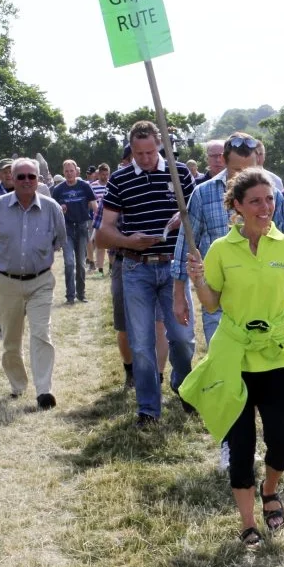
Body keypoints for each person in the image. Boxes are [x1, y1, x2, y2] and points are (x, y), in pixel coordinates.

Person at [179, 168, 284, 549]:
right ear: (237, 206)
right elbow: (212, 303)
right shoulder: (220, 249)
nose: (265, 207)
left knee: (282, 440)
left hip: (279, 354)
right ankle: (248, 523)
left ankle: (271, 490)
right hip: (234, 356)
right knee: (241, 446)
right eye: (255, 201)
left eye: (270, 199)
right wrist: (198, 279)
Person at [97, 120, 196, 427]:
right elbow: (103, 233)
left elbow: (198, 212)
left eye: (151, 152)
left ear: (160, 147)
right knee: (141, 344)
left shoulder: (180, 174)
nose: (145, 159)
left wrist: (185, 217)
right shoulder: (120, 179)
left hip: (173, 267)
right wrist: (128, 240)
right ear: (131, 151)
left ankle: (183, 385)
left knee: (182, 337)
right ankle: (149, 409)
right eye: (139, 153)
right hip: (135, 267)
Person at [173, 133, 284, 345]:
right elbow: (184, 246)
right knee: (224, 368)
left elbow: (283, 246)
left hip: (262, 299)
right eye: (237, 170)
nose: (245, 176)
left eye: (251, 169)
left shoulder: (274, 197)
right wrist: (179, 295)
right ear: (224, 163)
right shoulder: (202, 194)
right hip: (218, 300)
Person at [0, 157, 67, 409]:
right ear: (12, 179)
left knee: (42, 333)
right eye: (21, 177)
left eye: (32, 176)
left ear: (39, 179)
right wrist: (6, 260)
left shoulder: (51, 208)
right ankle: (18, 384)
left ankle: (44, 391)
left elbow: (58, 241)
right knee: (11, 339)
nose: (27, 181)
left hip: (41, 280)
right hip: (7, 282)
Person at [51, 159, 98, 304]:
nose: (69, 174)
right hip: (67, 228)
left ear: (76, 171)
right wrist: (61, 208)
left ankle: (81, 294)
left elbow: (93, 203)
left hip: (83, 226)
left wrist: (98, 220)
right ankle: (70, 296)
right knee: (69, 263)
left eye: (72, 171)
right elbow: (54, 209)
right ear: (63, 172)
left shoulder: (84, 186)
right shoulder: (58, 189)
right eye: (66, 171)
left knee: (80, 263)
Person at [88, 163, 110, 274]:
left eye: (107, 174)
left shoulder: (112, 185)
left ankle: (110, 268)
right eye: (103, 174)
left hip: (110, 219)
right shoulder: (93, 186)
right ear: (98, 174)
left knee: (110, 244)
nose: (105, 177)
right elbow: (89, 202)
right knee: (95, 243)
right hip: (96, 218)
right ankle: (97, 267)